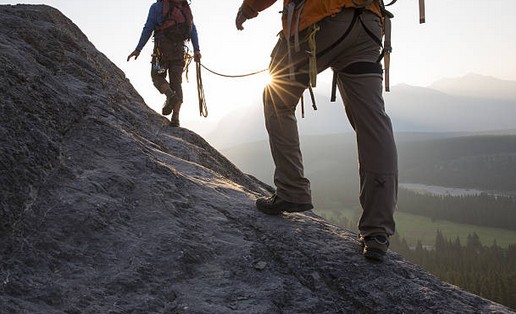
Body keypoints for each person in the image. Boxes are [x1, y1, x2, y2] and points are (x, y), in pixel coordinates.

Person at [235, 0, 398, 262]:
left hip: (321, 21)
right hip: (368, 25)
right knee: (373, 123)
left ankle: (291, 189)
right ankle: (377, 231)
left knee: (276, 98)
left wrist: (247, 9)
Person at [128, 0, 202, 127]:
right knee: (176, 83)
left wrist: (138, 49)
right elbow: (192, 29)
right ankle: (176, 117)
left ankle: (170, 95)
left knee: (157, 76)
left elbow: (148, 28)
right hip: (179, 50)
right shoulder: (183, 7)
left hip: (161, 49)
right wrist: (196, 49)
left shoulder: (157, 7)